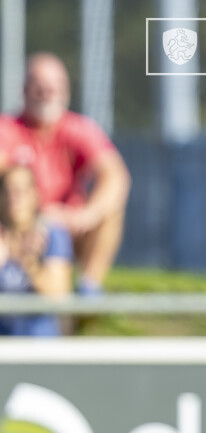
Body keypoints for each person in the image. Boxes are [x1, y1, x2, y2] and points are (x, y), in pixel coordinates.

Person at [0, 52, 131, 294]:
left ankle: (88, 290)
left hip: (68, 223)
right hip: (20, 228)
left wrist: (86, 215)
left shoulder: (79, 129)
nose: (47, 93)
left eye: (54, 86)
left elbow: (115, 174)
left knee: (110, 209)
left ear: (66, 90)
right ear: (25, 90)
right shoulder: (7, 129)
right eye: (39, 86)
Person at [0, 166, 72, 335]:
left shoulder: (51, 234)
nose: (14, 198)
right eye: (7, 191)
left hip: (39, 342)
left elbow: (59, 296)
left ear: (35, 195)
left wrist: (29, 262)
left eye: (21, 191)